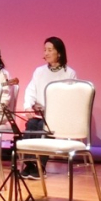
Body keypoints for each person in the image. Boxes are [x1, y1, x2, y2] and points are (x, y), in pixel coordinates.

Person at [21, 36, 77, 180]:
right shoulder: (39, 71)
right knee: (31, 124)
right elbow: (30, 91)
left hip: (57, 116)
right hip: (40, 113)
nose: (46, 53)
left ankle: (41, 165)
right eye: (45, 50)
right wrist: (28, 107)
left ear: (59, 53)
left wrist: (54, 110)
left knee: (44, 126)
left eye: (50, 50)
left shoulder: (69, 73)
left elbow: (70, 99)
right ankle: (30, 164)